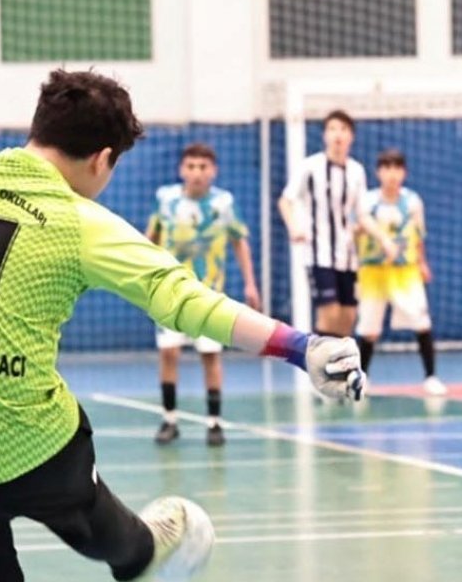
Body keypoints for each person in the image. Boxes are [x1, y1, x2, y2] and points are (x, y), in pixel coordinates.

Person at [0, 69, 363, 582]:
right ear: (103, 159)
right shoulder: (79, 221)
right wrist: (300, 345)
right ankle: (138, 551)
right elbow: (188, 301)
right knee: (68, 468)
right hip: (14, 443)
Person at [146, 142, 260, 446]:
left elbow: (240, 242)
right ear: (182, 170)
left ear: (213, 171)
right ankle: (169, 420)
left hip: (209, 295)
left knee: (210, 356)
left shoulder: (223, 204)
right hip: (170, 292)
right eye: (192, 166)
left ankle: (214, 423)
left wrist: (250, 283)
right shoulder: (166, 199)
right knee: (169, 353)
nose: (197, 173)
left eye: (203, 167)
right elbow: (150, 237)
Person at [355, 149, 445, 395]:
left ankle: (431, 376)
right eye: (387, 168)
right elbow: (362, 223)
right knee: (369, 328)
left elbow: (418, 236)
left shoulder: (413, 202)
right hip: (374, 271)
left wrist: (422, 263)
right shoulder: (369, 201)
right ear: (379, 172)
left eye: (397, 169)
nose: (392, 175)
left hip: (405, 271)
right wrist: (383, 241)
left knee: (421, 321)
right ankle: (362, 377)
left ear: (403, 173)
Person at [278, 110, 367, 338]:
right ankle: (318, 371)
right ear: (325, 135)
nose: (338, 134)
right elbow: (286, 200)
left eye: (343, 129)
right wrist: (294, 227)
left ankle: (336, 370)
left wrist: (382, 239)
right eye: (332, 129)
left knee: (348, 318)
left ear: (351, 136)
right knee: (329, 314)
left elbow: (362, 215)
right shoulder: (310, 166)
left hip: (347, 256)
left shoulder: (357, 171)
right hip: (319, 254)